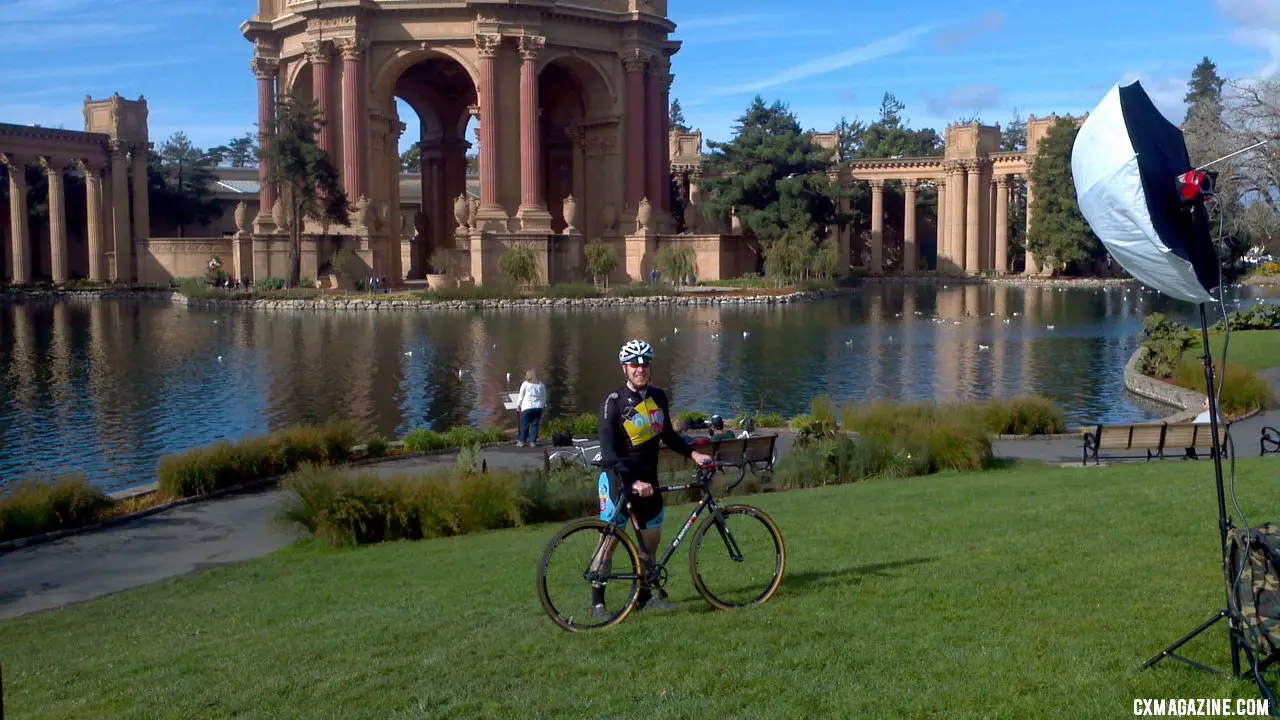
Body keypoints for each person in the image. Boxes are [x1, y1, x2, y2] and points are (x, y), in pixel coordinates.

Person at [592, 339, 712, 616]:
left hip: (650, 481)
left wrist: (693, 455)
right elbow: (608, 451)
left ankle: (644, 600)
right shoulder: (613, 402)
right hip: (619, 482)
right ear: (625, 368)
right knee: (608, 545)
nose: (640, 369)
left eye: (645, 364)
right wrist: (631, 482)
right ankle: (598, 603)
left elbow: (668, 435)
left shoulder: (658, 397)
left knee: (650, 544)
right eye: (634, 364)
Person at [516, 369, 547, 447]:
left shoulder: (525, 384)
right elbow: (544, 397)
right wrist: (544, 405)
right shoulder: (541, 385)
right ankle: (533, 441)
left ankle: (522, 441)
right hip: (538, 407)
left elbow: (521, 396)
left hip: (527, 407)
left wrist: (518, 405)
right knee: (535, 425)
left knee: (525, 425)